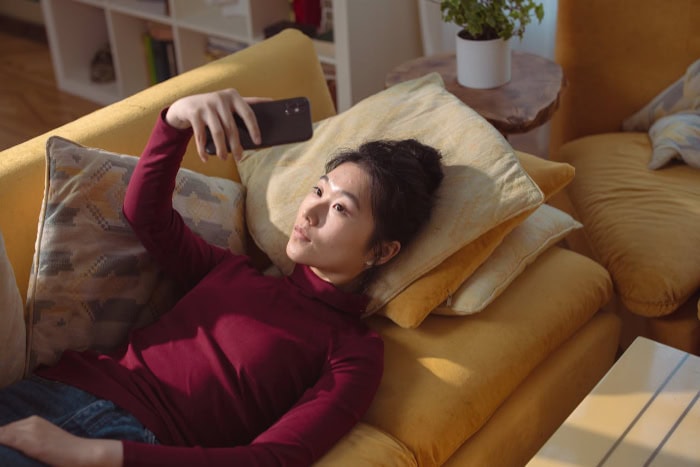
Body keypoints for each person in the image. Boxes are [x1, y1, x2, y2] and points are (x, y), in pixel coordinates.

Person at [0, 89, 444, 467]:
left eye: (341, 208)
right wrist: (176, 121)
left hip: (128, 444)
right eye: (318, 190)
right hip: (51, 390)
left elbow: (273, 458)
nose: (309, 212)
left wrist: (95, 454)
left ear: (382, 251)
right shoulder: (233, 270)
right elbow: (146, 216)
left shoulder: (353, 350)